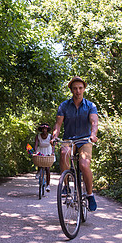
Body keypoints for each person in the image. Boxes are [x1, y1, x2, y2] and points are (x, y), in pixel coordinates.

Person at [50, 76, 99, 211]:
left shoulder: (90, 105)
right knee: (64, 152)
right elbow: (58, 125)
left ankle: (90, 194)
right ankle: (66, 185)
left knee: (84, 164)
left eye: (80, 88)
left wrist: (93, 135)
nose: (78, 91)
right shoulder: (64, 106)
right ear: (71, 90)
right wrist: (55, 137)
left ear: (84, 89)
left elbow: (94, 122)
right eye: (75, 88)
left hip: (85, 140)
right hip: (69, 140)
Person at [34, 123, 55, 192]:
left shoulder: (50, 136)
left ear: (47, 129)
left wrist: (52, 152)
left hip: (48, 150)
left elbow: (53, 145)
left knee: (47, 168)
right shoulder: (38, 136)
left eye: (45, 129)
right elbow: (36, 144)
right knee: (39, 163)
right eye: (43, 129)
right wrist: (35, 151)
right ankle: (38, 172)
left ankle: (48, 185)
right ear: (41, 130)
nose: (44, 130)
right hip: (41, 150)